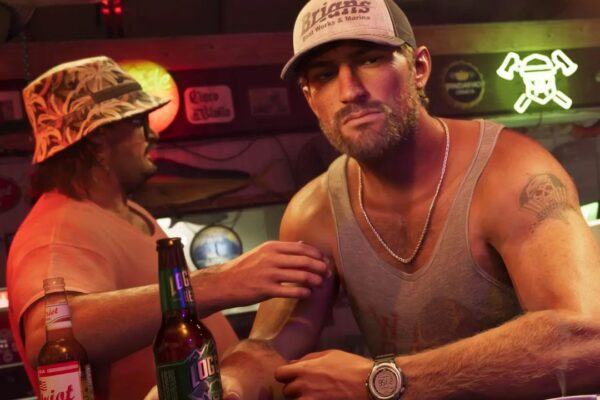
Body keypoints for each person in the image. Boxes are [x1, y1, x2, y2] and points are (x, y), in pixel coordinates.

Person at [219, 0, 600, 399]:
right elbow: (270, 346)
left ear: (418, 68)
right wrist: (231, 383)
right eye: (325, 75)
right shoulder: (313, 213)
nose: (350, 91)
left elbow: (588, 338)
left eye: (369, 60)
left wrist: (381, 381)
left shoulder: (512, 174)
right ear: (311, 97)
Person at [6, 56, 329, 400]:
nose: (153, 134)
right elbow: (50, 336)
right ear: (99, 137)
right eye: (140, 122)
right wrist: (223, 281)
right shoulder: (58, 232)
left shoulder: (123, 211)